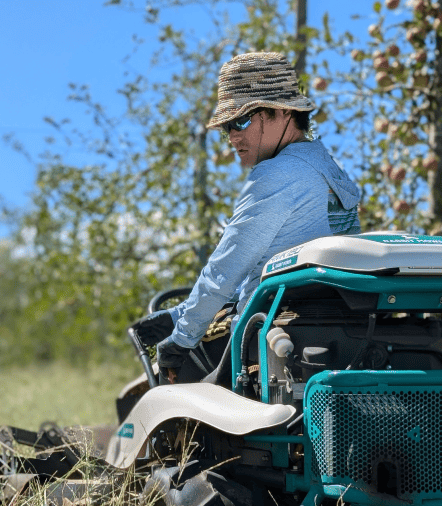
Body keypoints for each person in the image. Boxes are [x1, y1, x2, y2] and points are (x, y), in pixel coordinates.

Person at [133, 51, 362, 384]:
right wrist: (177, 314)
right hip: (329, 334)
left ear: (283, 112)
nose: (233, 137)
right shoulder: (325, 167)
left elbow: (225, 272)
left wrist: (181, 338)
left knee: (166, 395)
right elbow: (258, 271)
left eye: (241, 121)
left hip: (267, 348)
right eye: (227, 127)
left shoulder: (277, 174)